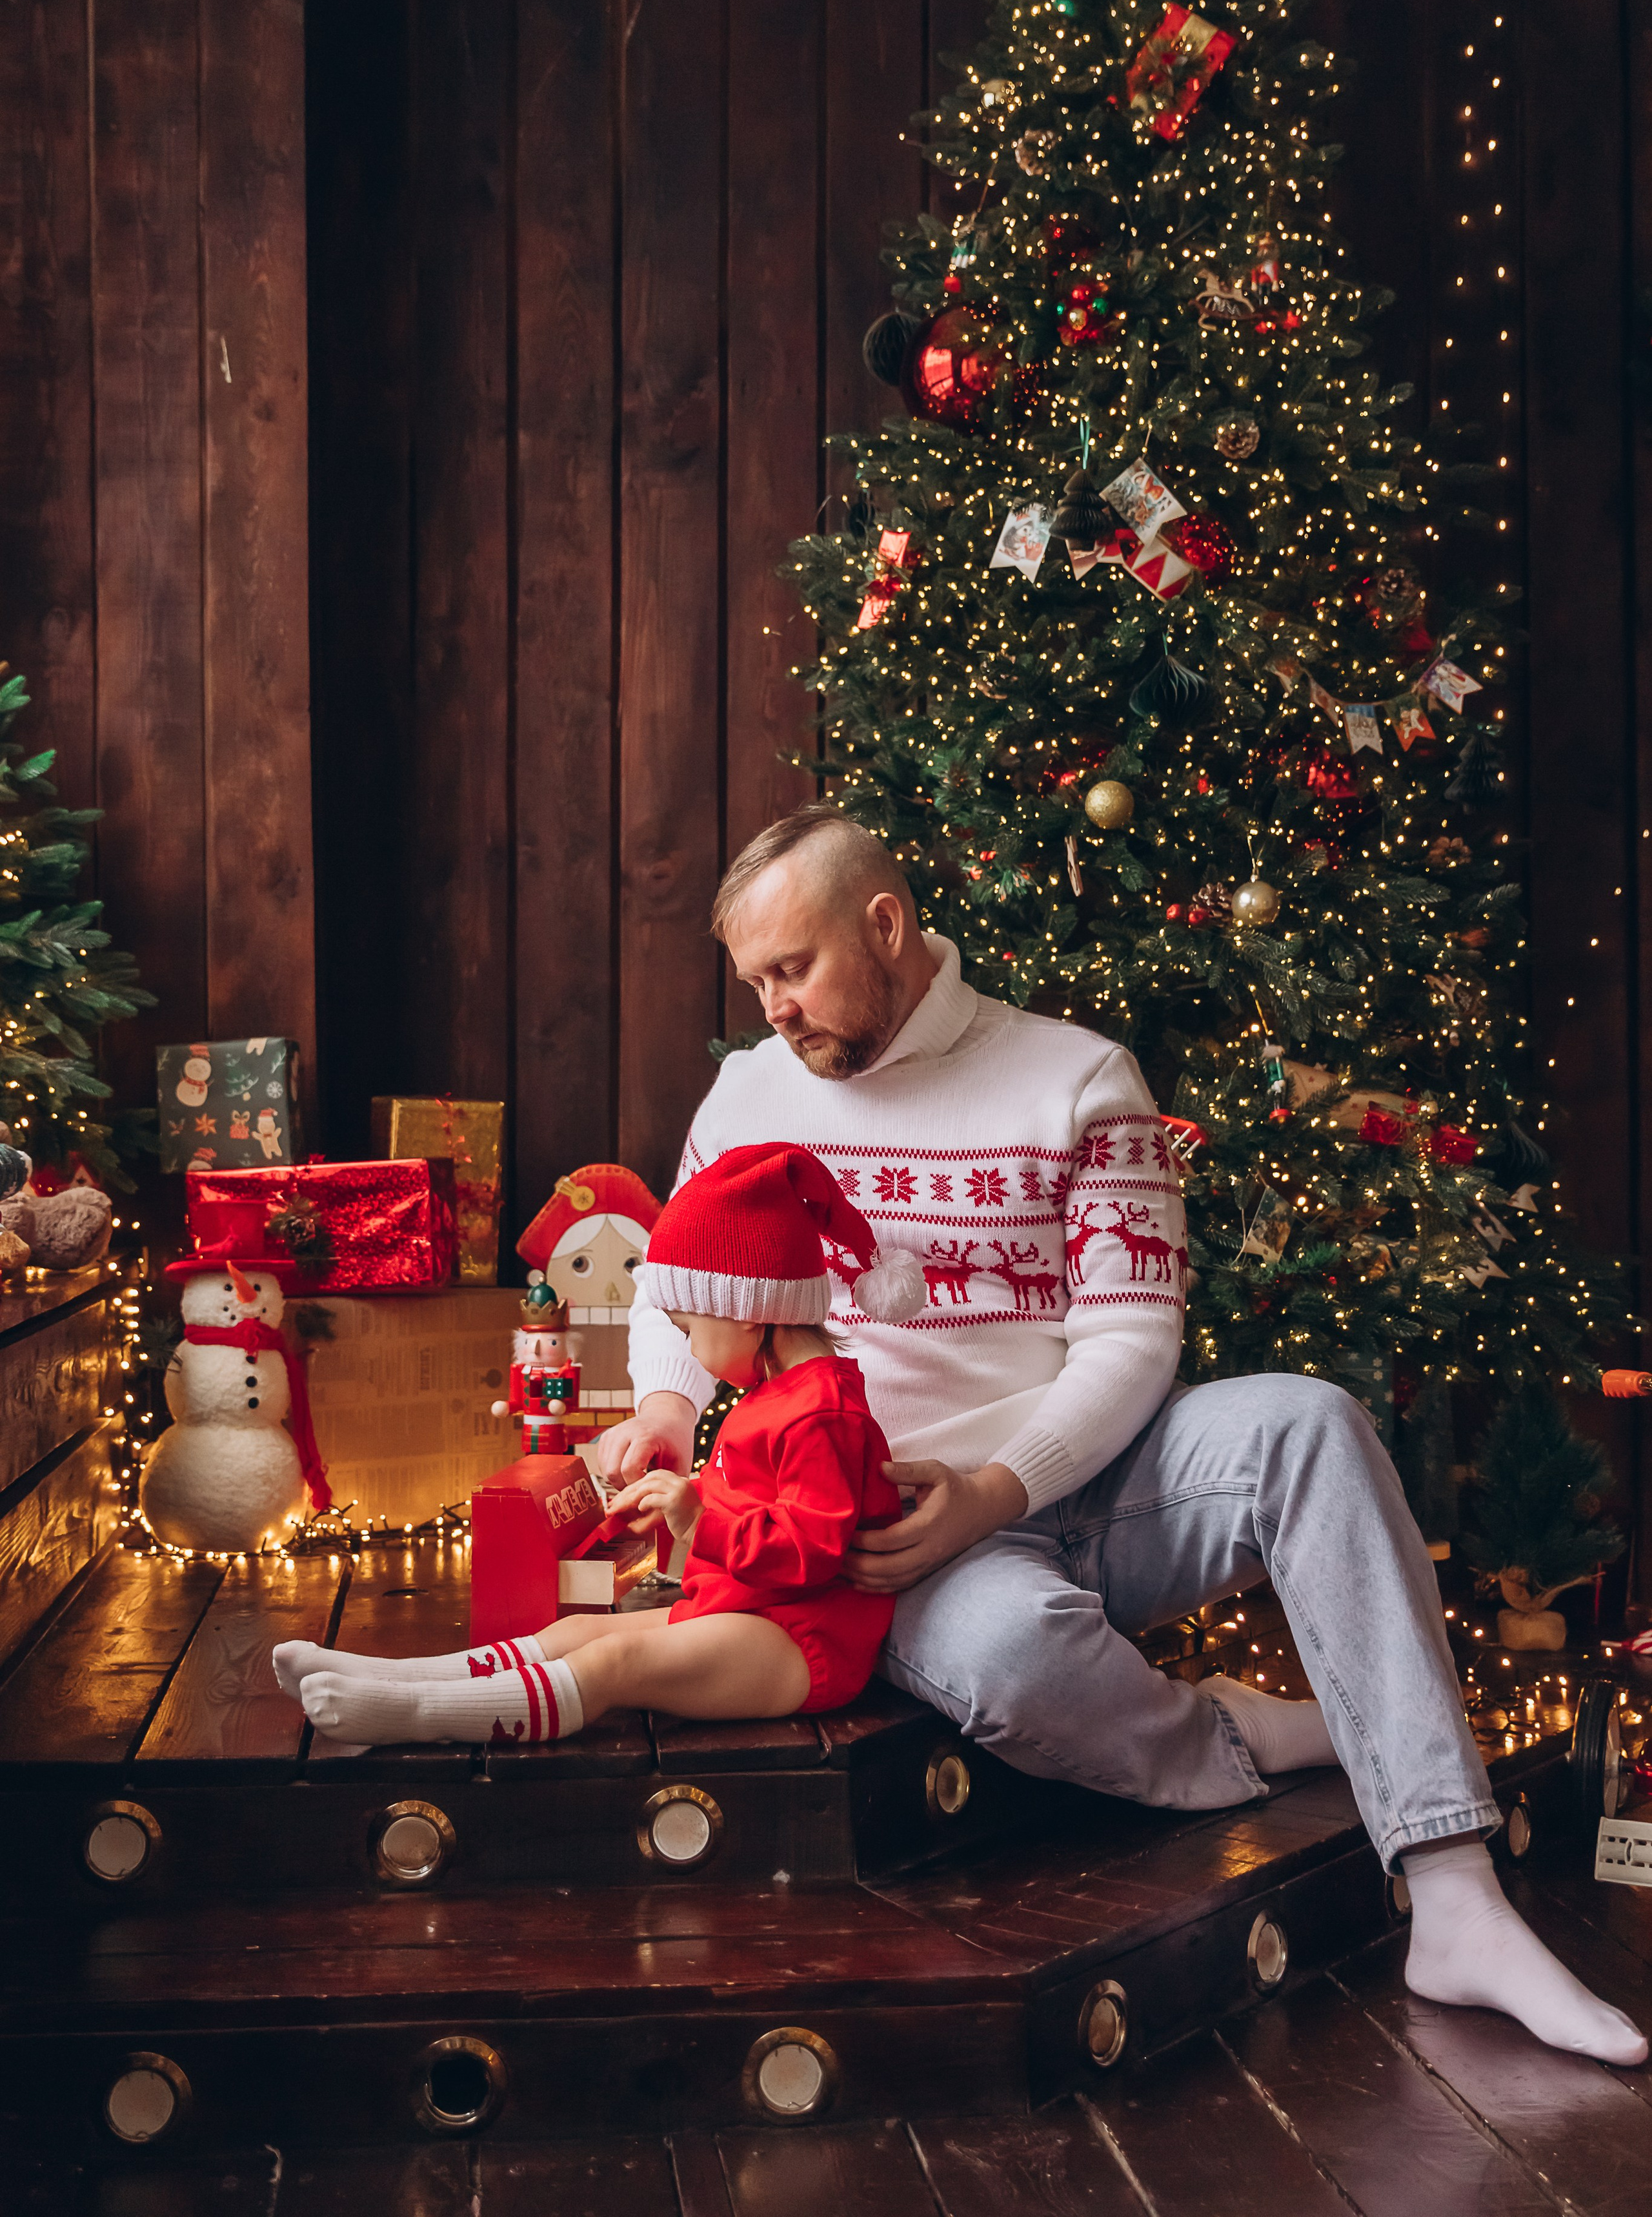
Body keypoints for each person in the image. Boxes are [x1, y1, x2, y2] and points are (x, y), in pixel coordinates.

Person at [599, 802, 1646, 2069]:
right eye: (754, 979)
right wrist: (663, 1410)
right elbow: (671, 1293)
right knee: (1001, 1653)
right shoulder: (750, 1097)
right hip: (892, 1525)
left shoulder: (1077, 1078)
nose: (774, 1006)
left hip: (1104, 1473)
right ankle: (1232, 1737)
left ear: (883, 926)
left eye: (793, 967)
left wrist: (998, 1485)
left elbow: (1130, 1339)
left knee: (1307, 1421)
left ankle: (1455, 1897)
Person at [276, 1143, 916, 1746]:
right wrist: (681, 1501)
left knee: (616, 1659)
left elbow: (811, 1551)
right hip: (747, 1608)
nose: (691, 1350)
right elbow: (756, 1509)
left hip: (802, 1637)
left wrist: (696, 1516)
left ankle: (420, 1713)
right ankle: (391, 1678)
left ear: (747, 1309)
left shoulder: (820, 1413)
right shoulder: (778, 1397)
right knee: (576, 1630)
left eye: (690, 1328)